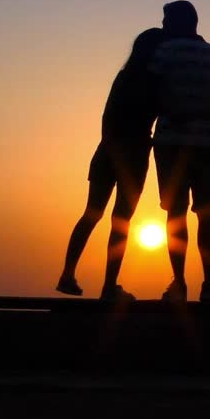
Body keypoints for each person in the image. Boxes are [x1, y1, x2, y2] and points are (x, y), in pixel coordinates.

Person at [57, 27, 165, 302]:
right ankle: (108, 287)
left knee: (92, 213)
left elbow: (107, 117)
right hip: (133, 154)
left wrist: (110, 147)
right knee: (121, 222)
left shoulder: (124, 76)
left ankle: (67, 274)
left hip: (107, 150)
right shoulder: (156, 81)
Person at [151, 0, 210, 304]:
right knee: (208, 215)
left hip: (172, 141)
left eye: (165, 20)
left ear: (176, 22)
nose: (162, 26)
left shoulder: (164, 53)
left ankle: (180, 284)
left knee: (175, 214)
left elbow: (156, 94)